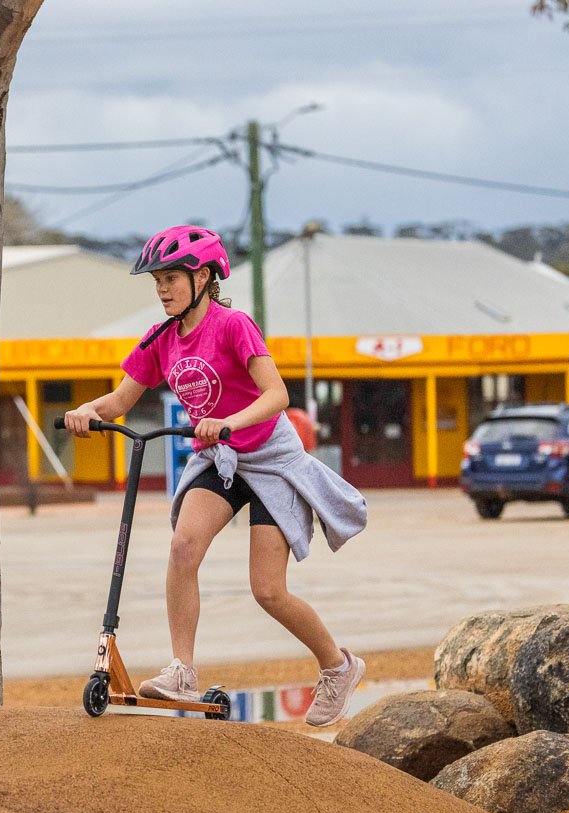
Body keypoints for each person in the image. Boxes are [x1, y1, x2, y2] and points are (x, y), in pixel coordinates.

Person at [62, 225, 369, 727]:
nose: (162, 290)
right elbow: (118, 402)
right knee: (183, 548)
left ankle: (338, 666)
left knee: (268, 591)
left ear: (202, 276)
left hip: (270, 460)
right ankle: (182, 670)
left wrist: (230, 421)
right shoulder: (161, 338)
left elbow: (277, 396)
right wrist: (85, 410)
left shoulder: (233, 326)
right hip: (219, 459)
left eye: (170, 279)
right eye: (156, 281)